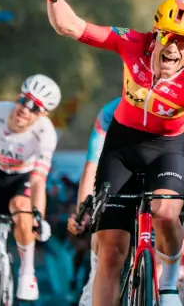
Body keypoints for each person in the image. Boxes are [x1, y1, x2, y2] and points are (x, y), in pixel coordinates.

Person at [44, 0, 184, 306]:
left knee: (166, 212)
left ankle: (167, 285)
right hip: (121, 146)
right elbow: (69, 26)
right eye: (167, 37)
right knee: (110, 254)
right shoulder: (133, 43)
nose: (173, 49)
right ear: (155, 34)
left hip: (166, 148)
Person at [0, 75, 60, 304]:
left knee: (20, 206)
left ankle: (27, 272)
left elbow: (37, 181)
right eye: (24, 100)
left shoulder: (46, 134)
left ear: (43, 114)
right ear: (18, 97)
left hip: (23, 179)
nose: (26, 109)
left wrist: (39, 217)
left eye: (35, 107)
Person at [67, 96, 121, 306]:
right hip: (111, 175)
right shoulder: (109, 112)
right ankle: (91, 285)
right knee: (101, 239)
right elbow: (92, 167)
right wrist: (82, 211)